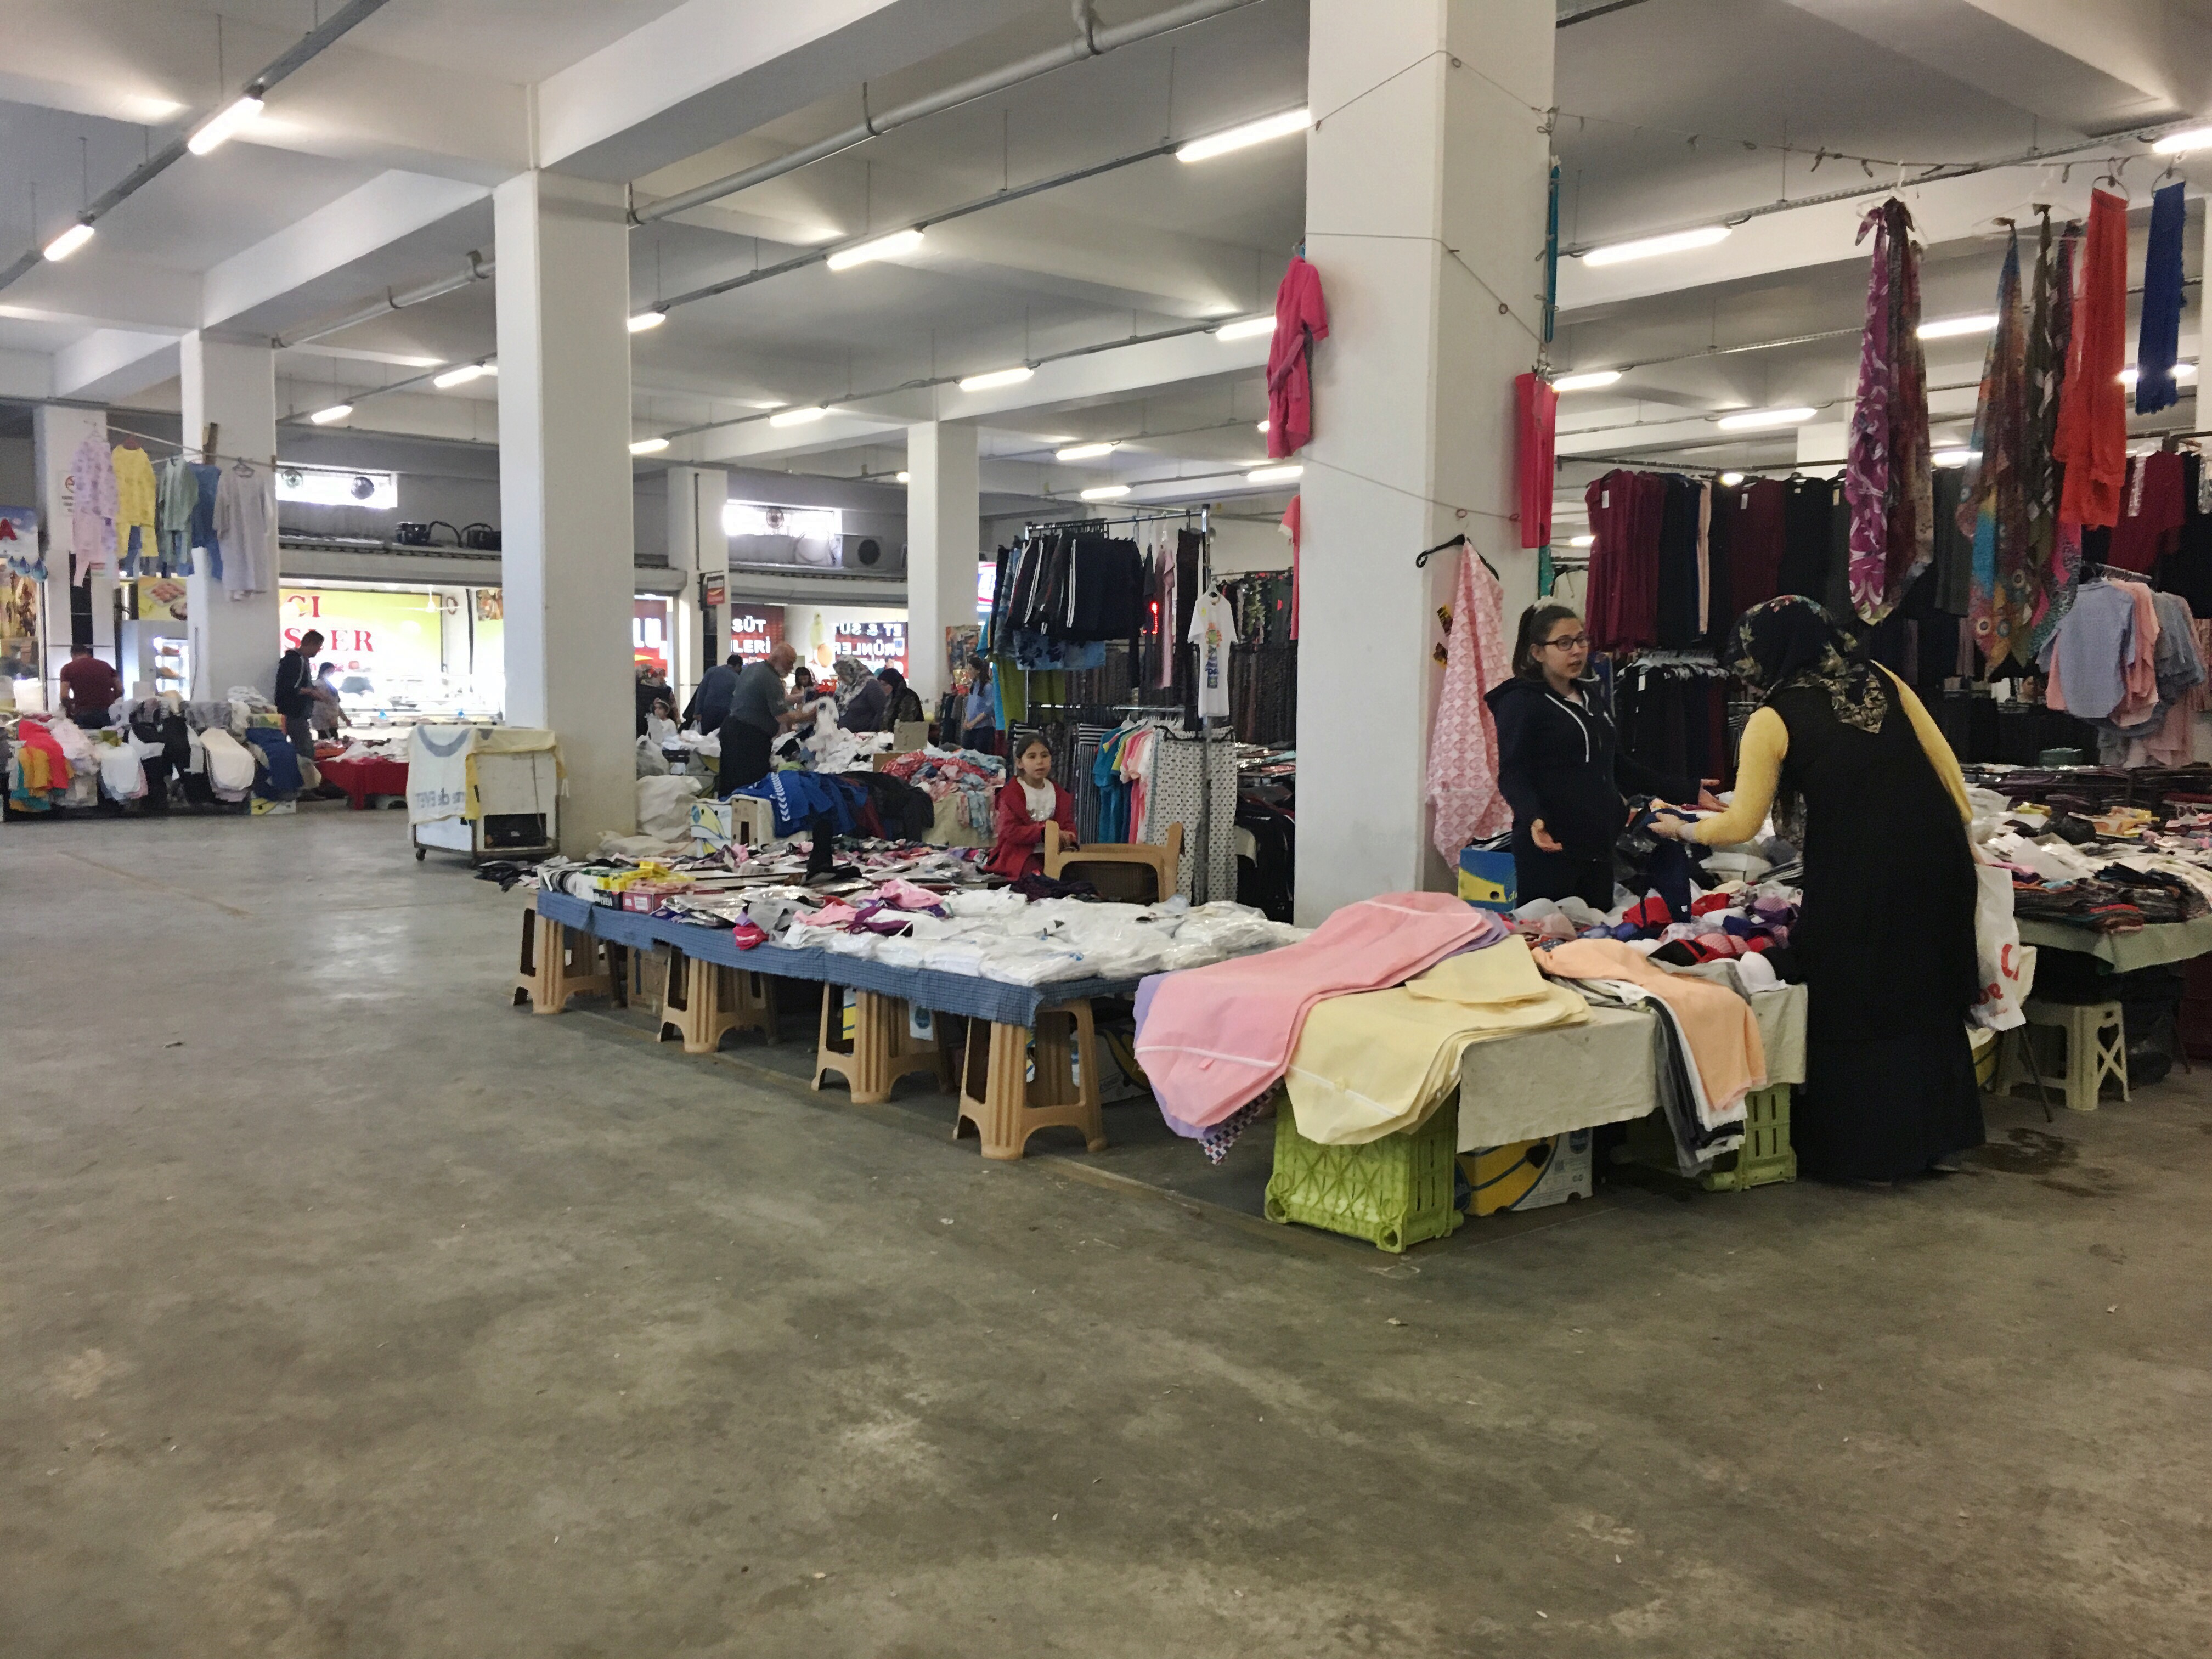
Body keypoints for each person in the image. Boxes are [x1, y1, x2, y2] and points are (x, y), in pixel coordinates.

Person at [1647, 595, 1983, 1183]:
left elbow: (1742, 824)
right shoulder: (1881, 678)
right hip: (1935, 853)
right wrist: (1963, 842)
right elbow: (1946, 767)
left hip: (1860, 865)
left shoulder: (1772, 718)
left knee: (1857, 990)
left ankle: (1868, 1154)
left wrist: (1681, 827)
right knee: (1925, 985)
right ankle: (1935, 1139)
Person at [1486, 604, 1719, 908]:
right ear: (1538, 652)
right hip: (1552, 848)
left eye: (1581, 640)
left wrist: (1686, 789)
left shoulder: (1589, 696)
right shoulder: (1520, 703)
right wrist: (1533, 817)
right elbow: (1513, 773)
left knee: (1598, 932)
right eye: (1564, 643)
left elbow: (1617, 765)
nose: (1577, 651)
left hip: (1599, 846)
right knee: (1550, 934)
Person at [716, 642, 812, 794]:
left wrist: (801, 698)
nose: (791, 668)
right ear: (777, 659)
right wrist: (810, 716)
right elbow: (783, 717)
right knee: (751, 786)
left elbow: (771, 700)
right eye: (789, 663)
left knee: (730, 781)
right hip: (748, 737)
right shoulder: (771, 679)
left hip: (732, 728)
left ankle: (727, 807)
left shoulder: (754, 668)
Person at [987, 733, 1079, 879]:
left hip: (1053, 853)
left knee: (1075, 875)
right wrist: (1043, 833)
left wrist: (1068, 836)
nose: (1040, 762)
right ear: (1019, 763)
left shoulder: (1059, 793)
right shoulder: (1011, 794)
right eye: (1032, 757)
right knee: (1037, 877)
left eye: (1045, 756)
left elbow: (1067, 824)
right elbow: (1010, 831)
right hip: (1020, 854)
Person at [274, 630, 326, 754]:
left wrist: (313, 691)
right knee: (306, 751)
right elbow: (290, 687)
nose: (318, 651)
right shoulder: (295, 660)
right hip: (294, 714)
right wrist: (311, 692)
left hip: (296, 714)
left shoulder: (301, 660)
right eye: (318, 647)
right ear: (311, 644)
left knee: (300, 750)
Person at [58, 644, 123, 729]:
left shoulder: (67, 669)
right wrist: (109, 699)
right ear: (87, 653)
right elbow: (120, 690)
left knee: (86, 737)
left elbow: (64, 696)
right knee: (105, 736)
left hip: (83, 715)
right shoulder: (106, 665)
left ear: (72, 655)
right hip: (107, 714)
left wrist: (71, 710)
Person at [682, 653, 742, 733]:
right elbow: (738, 700)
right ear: (738, 666)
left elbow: (701, 692)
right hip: (725, 713)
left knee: (705, 736)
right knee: (719, 737)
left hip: (707, 711)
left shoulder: (711, 671)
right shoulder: (737, 678)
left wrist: (697, 712)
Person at [838, 667, 891, 731]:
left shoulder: (871, 686)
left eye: (843, 674)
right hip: (846, 734)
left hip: (864, 735)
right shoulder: (848, 687)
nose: (840, 677)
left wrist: (872, 732)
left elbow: (882, 710)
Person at [961, 661, 997, 754]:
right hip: (971, 727)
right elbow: (969, 706)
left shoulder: (988, 687)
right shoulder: (973, 686)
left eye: (970, 669)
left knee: (981, 755)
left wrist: (974, 722)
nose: (968, 672)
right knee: (965, 752)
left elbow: (989, 709)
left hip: (984, 728)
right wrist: (966, 721)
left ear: (978, 671)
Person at [635, 662, 673, 737]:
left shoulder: (635, 691)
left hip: (639, 727)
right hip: (659, 729)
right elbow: (673, 711)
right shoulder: (664, 691)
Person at [312, 661, 345, 742]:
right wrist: (330, 719)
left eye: (333, 672)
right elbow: (321, 705)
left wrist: (345, 718)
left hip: (331, 721)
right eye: (330, 672)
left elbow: (335, 704)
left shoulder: (328, 684)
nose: (332, 674)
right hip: (324, 722)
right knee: (329, 743)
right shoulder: (319, 684)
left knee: (333, 742)